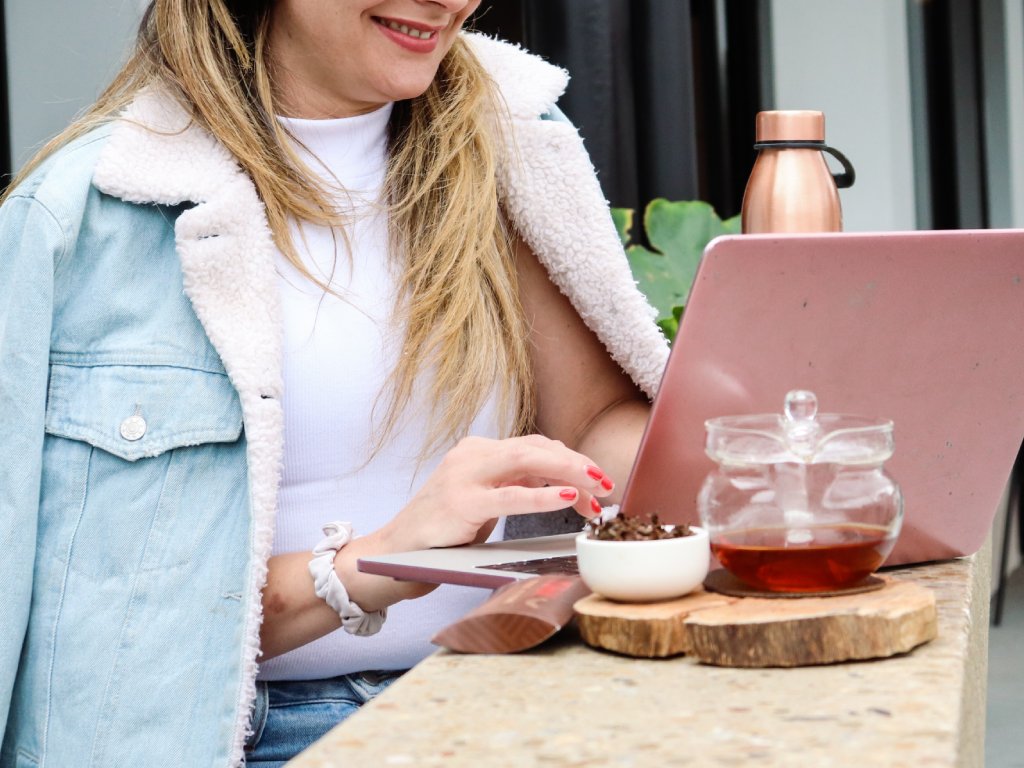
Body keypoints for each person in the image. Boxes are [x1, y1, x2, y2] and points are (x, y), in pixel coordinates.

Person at [0, 1, 669, 766]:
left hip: (501, 695)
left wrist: (734, 446)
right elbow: (80, 635)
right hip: (247, 739)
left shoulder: (509, 145)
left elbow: (595, 423)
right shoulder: (83, 217)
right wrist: (379, 559)